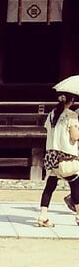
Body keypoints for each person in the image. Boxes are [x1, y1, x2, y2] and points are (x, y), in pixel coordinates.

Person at [36, 91, 79, 227]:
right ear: (71, 100)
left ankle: (43, 216)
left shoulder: (51, 115)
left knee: (50, 186)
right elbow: (75, 136)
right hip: (66, 157)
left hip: (52, 156)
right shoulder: (71, 116)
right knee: (75, 184)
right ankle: (78, 215)